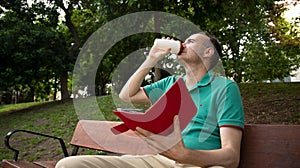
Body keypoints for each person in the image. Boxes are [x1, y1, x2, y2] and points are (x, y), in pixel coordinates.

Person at [56, 32, 244, 168]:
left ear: (208, 52)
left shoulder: (225, 88)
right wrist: (151, 59)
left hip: (198, 164)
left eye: (191, 41)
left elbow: (231, 157)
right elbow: (127, 95)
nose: (183, 44)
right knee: (69, 165)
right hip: (158, 161)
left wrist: (186, 155)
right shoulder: (171, 82)